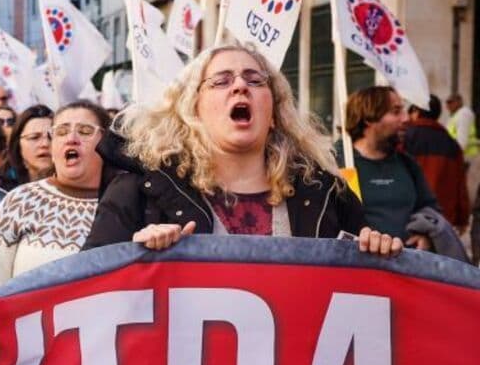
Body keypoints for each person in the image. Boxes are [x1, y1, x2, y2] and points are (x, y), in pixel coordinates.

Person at [85, 44, 402, 257]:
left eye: (255, 80)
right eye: (221, 82)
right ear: (192, 109)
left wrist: (379, 254)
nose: (240, 87)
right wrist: (133, 255)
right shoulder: (140, 192)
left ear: (275, 112)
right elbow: (88, 289)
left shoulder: (327, 193)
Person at [0, 101, 109, 286]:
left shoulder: (125, 203)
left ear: (106, 144)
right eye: (61, 132)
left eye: (85, 131)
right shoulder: (20, 201)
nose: (71, 138)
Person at [343, 86, 436, 245]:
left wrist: (425, 235)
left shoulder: (407, 164)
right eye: (396, 111)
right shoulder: (336, 162)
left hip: (405, 264)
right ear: (369, 117)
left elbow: (429, 208)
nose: (406, 118)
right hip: (357, 265)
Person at [404, 95, 470, 228]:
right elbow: (461, 187)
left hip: (410, 220)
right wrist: (462, 219)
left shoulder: (404, 139)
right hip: (442, 223)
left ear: (416, 111)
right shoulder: (452, 145)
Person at [0, 105, 54, 191]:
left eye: (51, 137)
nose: (45, 144)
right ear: (18, 144)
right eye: (34, 137)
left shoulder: (75, 188)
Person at [445, 93, 478, 158]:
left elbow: (462, 141)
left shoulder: (463, 114)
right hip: (463, 155)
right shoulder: (455, 115)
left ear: (458, 102)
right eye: (447, 102)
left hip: (466, 155)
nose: (447, 105)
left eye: (450, 102)